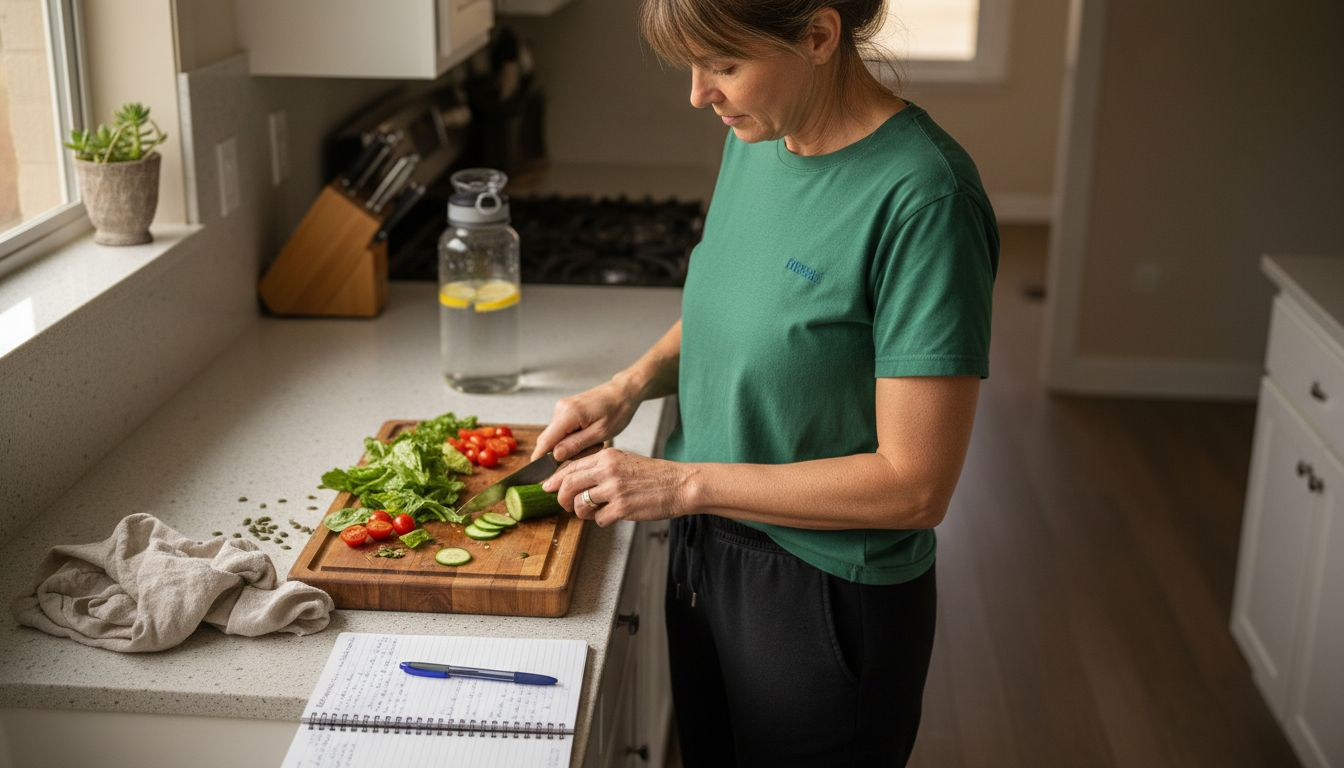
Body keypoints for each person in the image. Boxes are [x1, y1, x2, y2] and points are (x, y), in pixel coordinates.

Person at [532, 0, 998, 764]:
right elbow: (741, 311)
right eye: (692, 65)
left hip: (824, 594)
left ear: (818, 36)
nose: (698, 94)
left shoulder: (926, 200)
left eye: (723, 66)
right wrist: (628, 385)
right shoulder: (759, 136)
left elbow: (916, 486)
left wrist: (681, 486)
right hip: (706, 550)